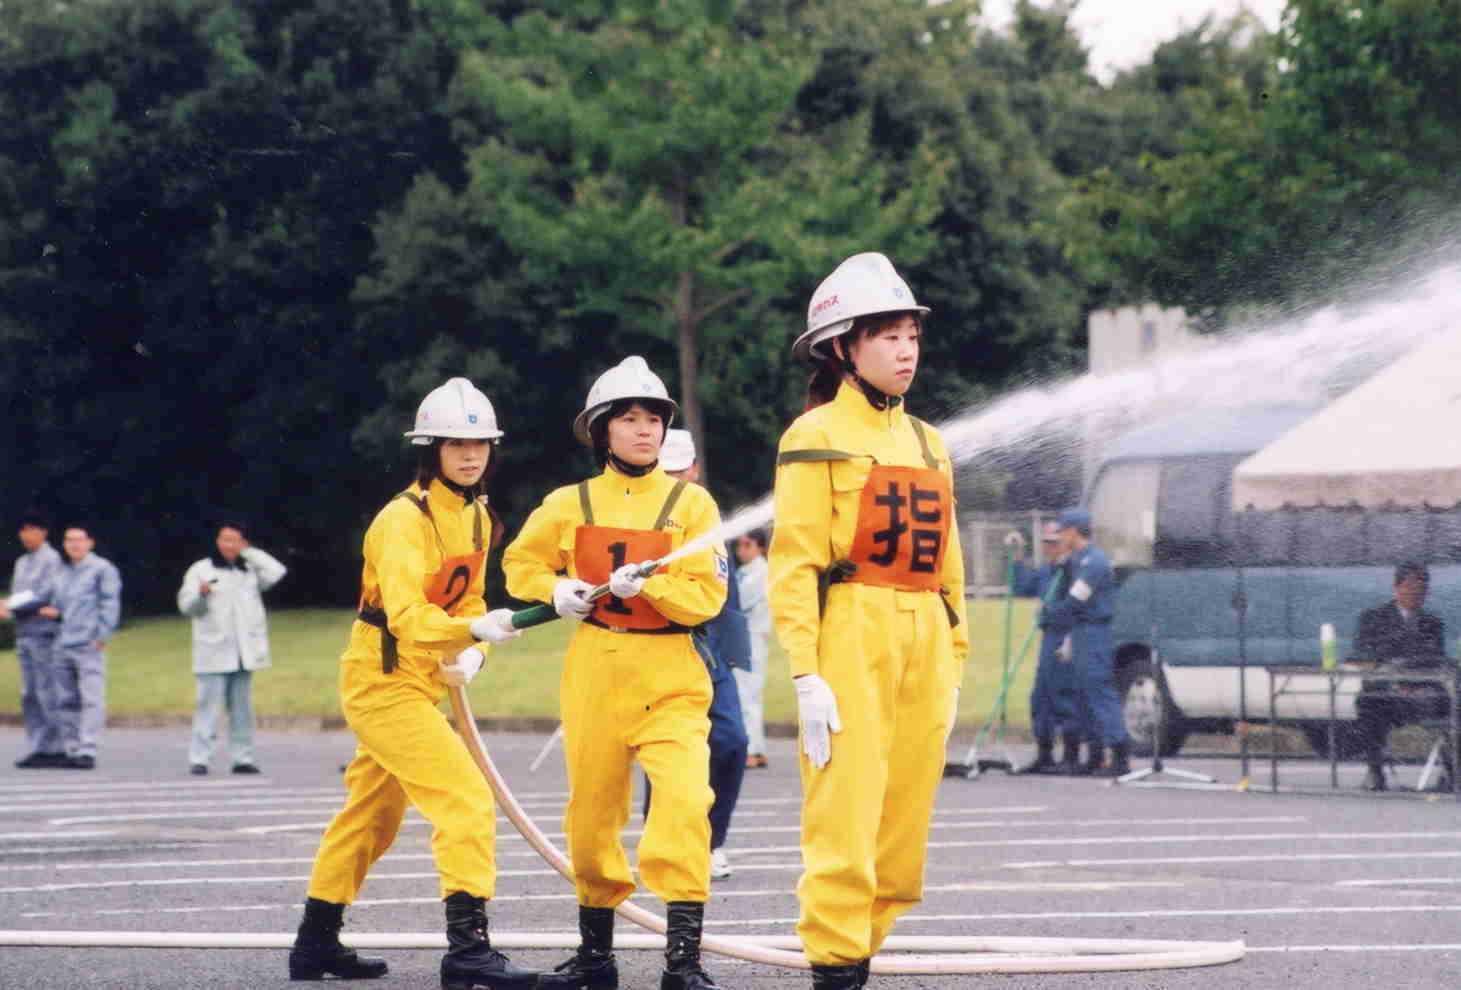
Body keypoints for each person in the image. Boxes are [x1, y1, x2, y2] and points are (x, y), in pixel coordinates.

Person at [289, 378, 537, 990]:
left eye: (480, 444)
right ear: (431, 450)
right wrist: (472, 628)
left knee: (372, 815)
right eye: (457, 444)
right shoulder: (402, 520)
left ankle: (314, 944)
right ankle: (468, 950)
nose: (471, 455)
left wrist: (473, 648)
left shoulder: (479, 515)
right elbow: (406, 616)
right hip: (382, 680)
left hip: (424, 678)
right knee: (466, 798)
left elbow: (470, 595)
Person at [770, 252, 969, 990]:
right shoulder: (812, 434)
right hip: (850, 631)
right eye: (886, 336)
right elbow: (792, 561)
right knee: (844, 823)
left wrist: (953, 654)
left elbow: (950, 563)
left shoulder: (928, 443)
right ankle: (835, 969)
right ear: (842, 348)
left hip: (923, 636)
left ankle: (855, 955)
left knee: (900, 841)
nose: (905, 349)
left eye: (910, 334)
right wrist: (804, 670)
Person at [505, 357, 728, 990]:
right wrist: (559, 589)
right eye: (629, 419)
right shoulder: (567, 503)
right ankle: (595, 959)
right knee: (593, 815)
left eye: (653, 419)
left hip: (673, 673)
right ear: (603, 430)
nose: (644, 431)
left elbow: (708, 596)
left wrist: (653, 587)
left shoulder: (694, 502)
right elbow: (521, 562)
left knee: (686, 804)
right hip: (597, 669)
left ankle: (683, 963)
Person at [643, 428, 751, 882]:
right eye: (664, 472)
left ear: (695, 471)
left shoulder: (707, 518)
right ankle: (663, 841)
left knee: (731, 742)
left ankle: (712, 841)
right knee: (661, 751)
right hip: (653, 651)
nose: (674, 479)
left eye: (680, 471)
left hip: (708, 653)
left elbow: (726, 591)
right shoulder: (640, 518)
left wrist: (734, 650)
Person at [177, 522, 288, 775]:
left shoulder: (248, 570)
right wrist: (201, 595)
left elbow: (277, 571)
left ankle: (242, 757)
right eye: (225, 540)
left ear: (243, 543)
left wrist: (249, 553)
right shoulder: (201, 569)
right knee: (208, 706)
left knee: (242, 709)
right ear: (216, 541)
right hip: (212, 650)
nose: (229, 545)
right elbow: (187, 606)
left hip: (243, 652)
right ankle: (200, 757)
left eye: (235, 540)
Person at [1352, 561, 1452, 792]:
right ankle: (1375, 771)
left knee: (1452, 703)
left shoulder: (1433, 624)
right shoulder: (1374, 618)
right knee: (1368, 702)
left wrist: (1418, 683)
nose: (1417, 593)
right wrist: (1395, 682)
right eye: (1411, 586)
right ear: (1397, 588)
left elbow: (1436, 660)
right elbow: (1366, 655)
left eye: (1422, 588)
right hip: (1387, 692)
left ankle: (1451, 771)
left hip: (1423, 693)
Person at [1046, 508, 1127, 777]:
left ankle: (1119, 752)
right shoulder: (1076, 560)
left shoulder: (1094, 562)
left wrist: (1051, 613)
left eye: (1063, 531)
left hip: (1094, 632)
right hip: (1079, 632)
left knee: (1099, 691)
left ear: (1073, 531)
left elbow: (1075, 600)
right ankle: (1094, 753)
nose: (1060, 537)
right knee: (1081, 694)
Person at [48, 525, 122, 770]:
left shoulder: (102, 569)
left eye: (79, 540)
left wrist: (102, 635)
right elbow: (57, 606)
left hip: (88, 643)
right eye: (69, 540)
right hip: (62, 642)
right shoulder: (62, 571)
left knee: (91, 698)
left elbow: (110, 603)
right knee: (66, 698)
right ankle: (72, 748)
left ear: (90, 542)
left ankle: (88, 748)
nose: (74, 545)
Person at [1015, 521, 1081, 775]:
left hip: (1066, 636)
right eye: (1045, 543)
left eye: (1053, 542)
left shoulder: (1072, 570)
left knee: (1063, 696)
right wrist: (1017, 558)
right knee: (1040, 697)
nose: (1049, 548)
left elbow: (1076, 606)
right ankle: (1044, 754)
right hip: (1048, 636)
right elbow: (1022, 587)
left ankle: (1071, 755)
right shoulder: (1047, 570)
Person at [2, 513, 66, 768]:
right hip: (24, 633)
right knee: (29, 693)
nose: (26, 535)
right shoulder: (21, 562)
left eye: (31, 529)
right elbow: (19, 593)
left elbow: (45, 594)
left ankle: (57, 746)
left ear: (43, 532)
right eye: (23, 530)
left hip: (44, 633)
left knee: (46, 689)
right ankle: (38, 745)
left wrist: (10, 606)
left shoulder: (52, 561)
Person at [734, 528, 771, 768]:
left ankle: (753, 750)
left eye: (748, 545)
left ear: (760, 548)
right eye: (740, 545)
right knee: (746, 694)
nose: (741, 550)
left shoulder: (760, 572)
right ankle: (756, 748)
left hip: (752, 638)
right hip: (745, 637)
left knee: (747, 695)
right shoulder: (744, 572)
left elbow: (740, 601)